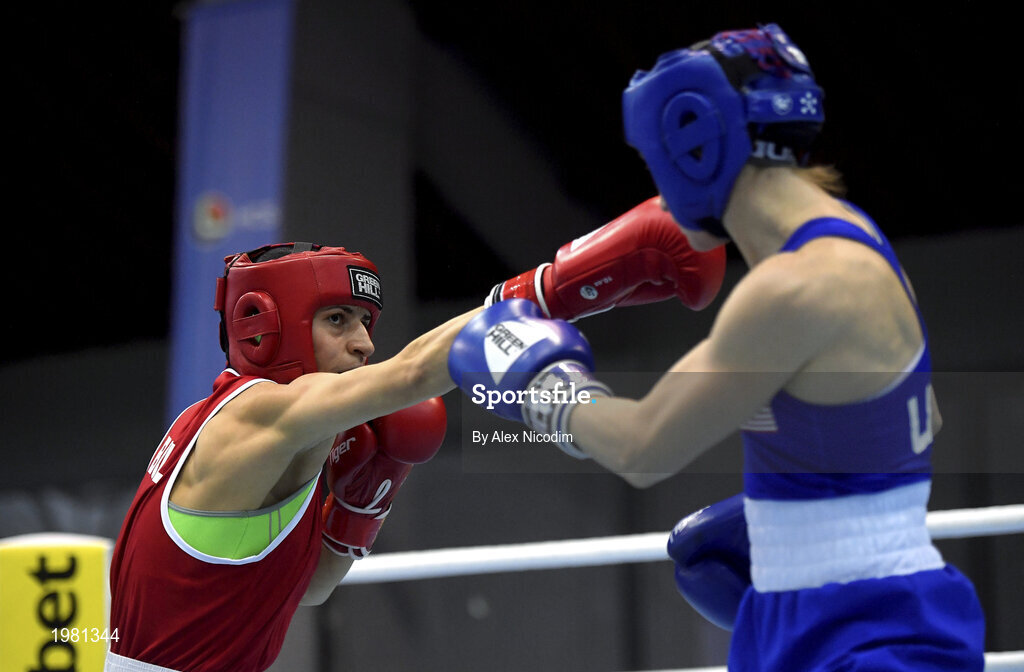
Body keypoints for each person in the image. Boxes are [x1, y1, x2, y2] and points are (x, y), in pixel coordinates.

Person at [448, 23, 986, 672]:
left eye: (653, 161)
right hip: (825, 612)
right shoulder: (855, 242)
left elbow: (642, 447)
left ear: (694, 142)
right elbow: (918, 415)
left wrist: (539, 384)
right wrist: (796, 530)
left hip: (868, 633)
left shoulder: (797, 286)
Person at [106, 198, 724, 672]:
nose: (363, 343)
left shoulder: (286, 436)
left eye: (365, 322)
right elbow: (412, 371)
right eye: (337, 319)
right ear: (265, 327)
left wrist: (366, 493)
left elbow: (310, 588)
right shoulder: (256, 415)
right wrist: (560, 288)